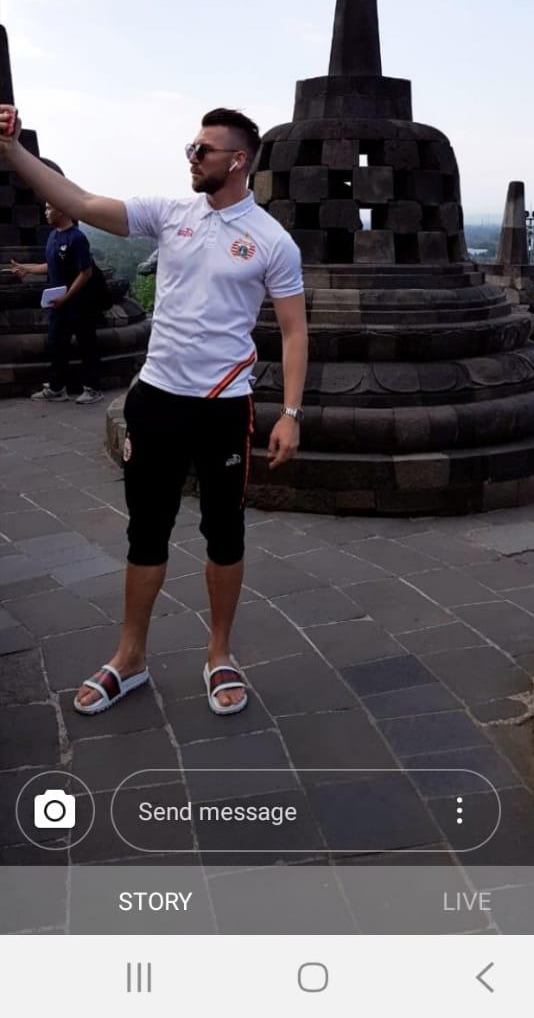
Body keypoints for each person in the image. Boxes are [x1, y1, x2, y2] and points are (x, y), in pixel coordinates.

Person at [0, 104, 308, 717]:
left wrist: (292, 412)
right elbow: (81, 202)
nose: (191, 158)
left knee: (225, 532)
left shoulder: (271, 241)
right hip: (156, 399)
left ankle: (220, 653)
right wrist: (11, 152)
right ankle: (130, 656)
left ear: (238, 161)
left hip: (223, 406)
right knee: (147, 531)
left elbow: (296, 333)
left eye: (203, 151)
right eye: (190, 148)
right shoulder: (172, 216)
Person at [10, 201, 104, 405]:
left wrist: (68, 296)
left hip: (78, 302)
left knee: (86, 343)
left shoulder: (77, 237)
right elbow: (50, 265)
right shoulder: (53, 236)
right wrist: (27, 269)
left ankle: (92, 388)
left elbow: (85, 272)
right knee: (56, 344)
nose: (45, 212)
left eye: (49, 208)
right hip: (58, 302)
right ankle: (57, 388)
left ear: (62, 210)